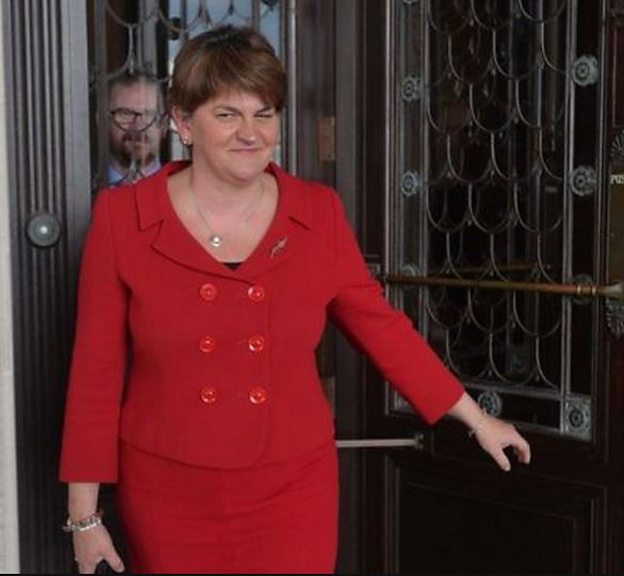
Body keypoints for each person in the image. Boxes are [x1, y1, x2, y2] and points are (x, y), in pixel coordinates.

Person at [60, 25, 531, 574]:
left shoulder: (317, 213)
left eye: (264, 114)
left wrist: (476, 418)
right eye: (227, 114)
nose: (250, 133)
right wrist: (84, 517)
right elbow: (95, 374)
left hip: (290, 485)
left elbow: (382, 329)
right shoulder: (123, 220)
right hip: (169, 488)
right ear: (183, 123)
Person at [106, 72, 167, 185]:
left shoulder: (180, 189)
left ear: (164, 124)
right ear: (103, 122)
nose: (139, 126)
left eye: (149, 115)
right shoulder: (82, 185)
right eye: (126, 114)